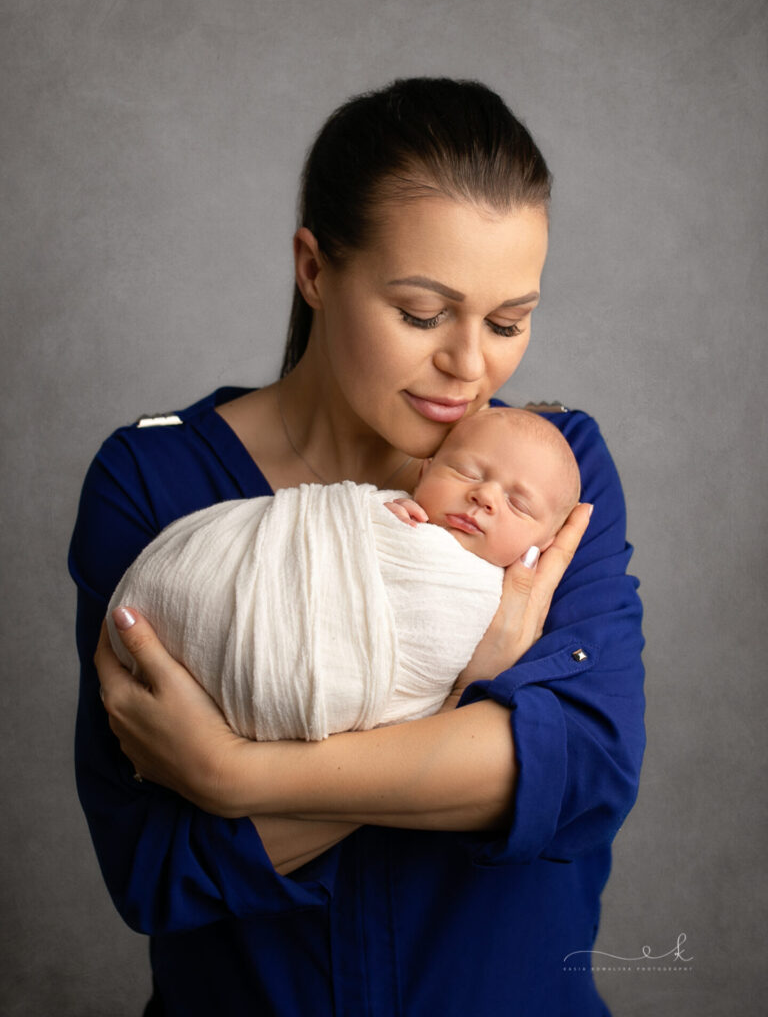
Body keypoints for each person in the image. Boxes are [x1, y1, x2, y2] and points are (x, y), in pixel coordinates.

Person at [69, 77, 645, 1015]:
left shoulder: (549, 470)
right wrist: (468, 699)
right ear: (314, 269)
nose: (471, 366)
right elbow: (158, 869)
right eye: (423, 314)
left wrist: (231, 773)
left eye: (508, 322)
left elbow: (580, 771)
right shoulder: (155, 481)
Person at [106, 407, 582, 742]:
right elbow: (333, 542)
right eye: (466, 472)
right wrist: (370, 518)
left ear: (548, 541)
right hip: (217, 620)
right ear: (424, 472)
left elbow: (581, 763)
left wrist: (460, 693)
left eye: (517, 504)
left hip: (302, 683)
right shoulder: (381, 512)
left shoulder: (502, 592)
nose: (485, 497)